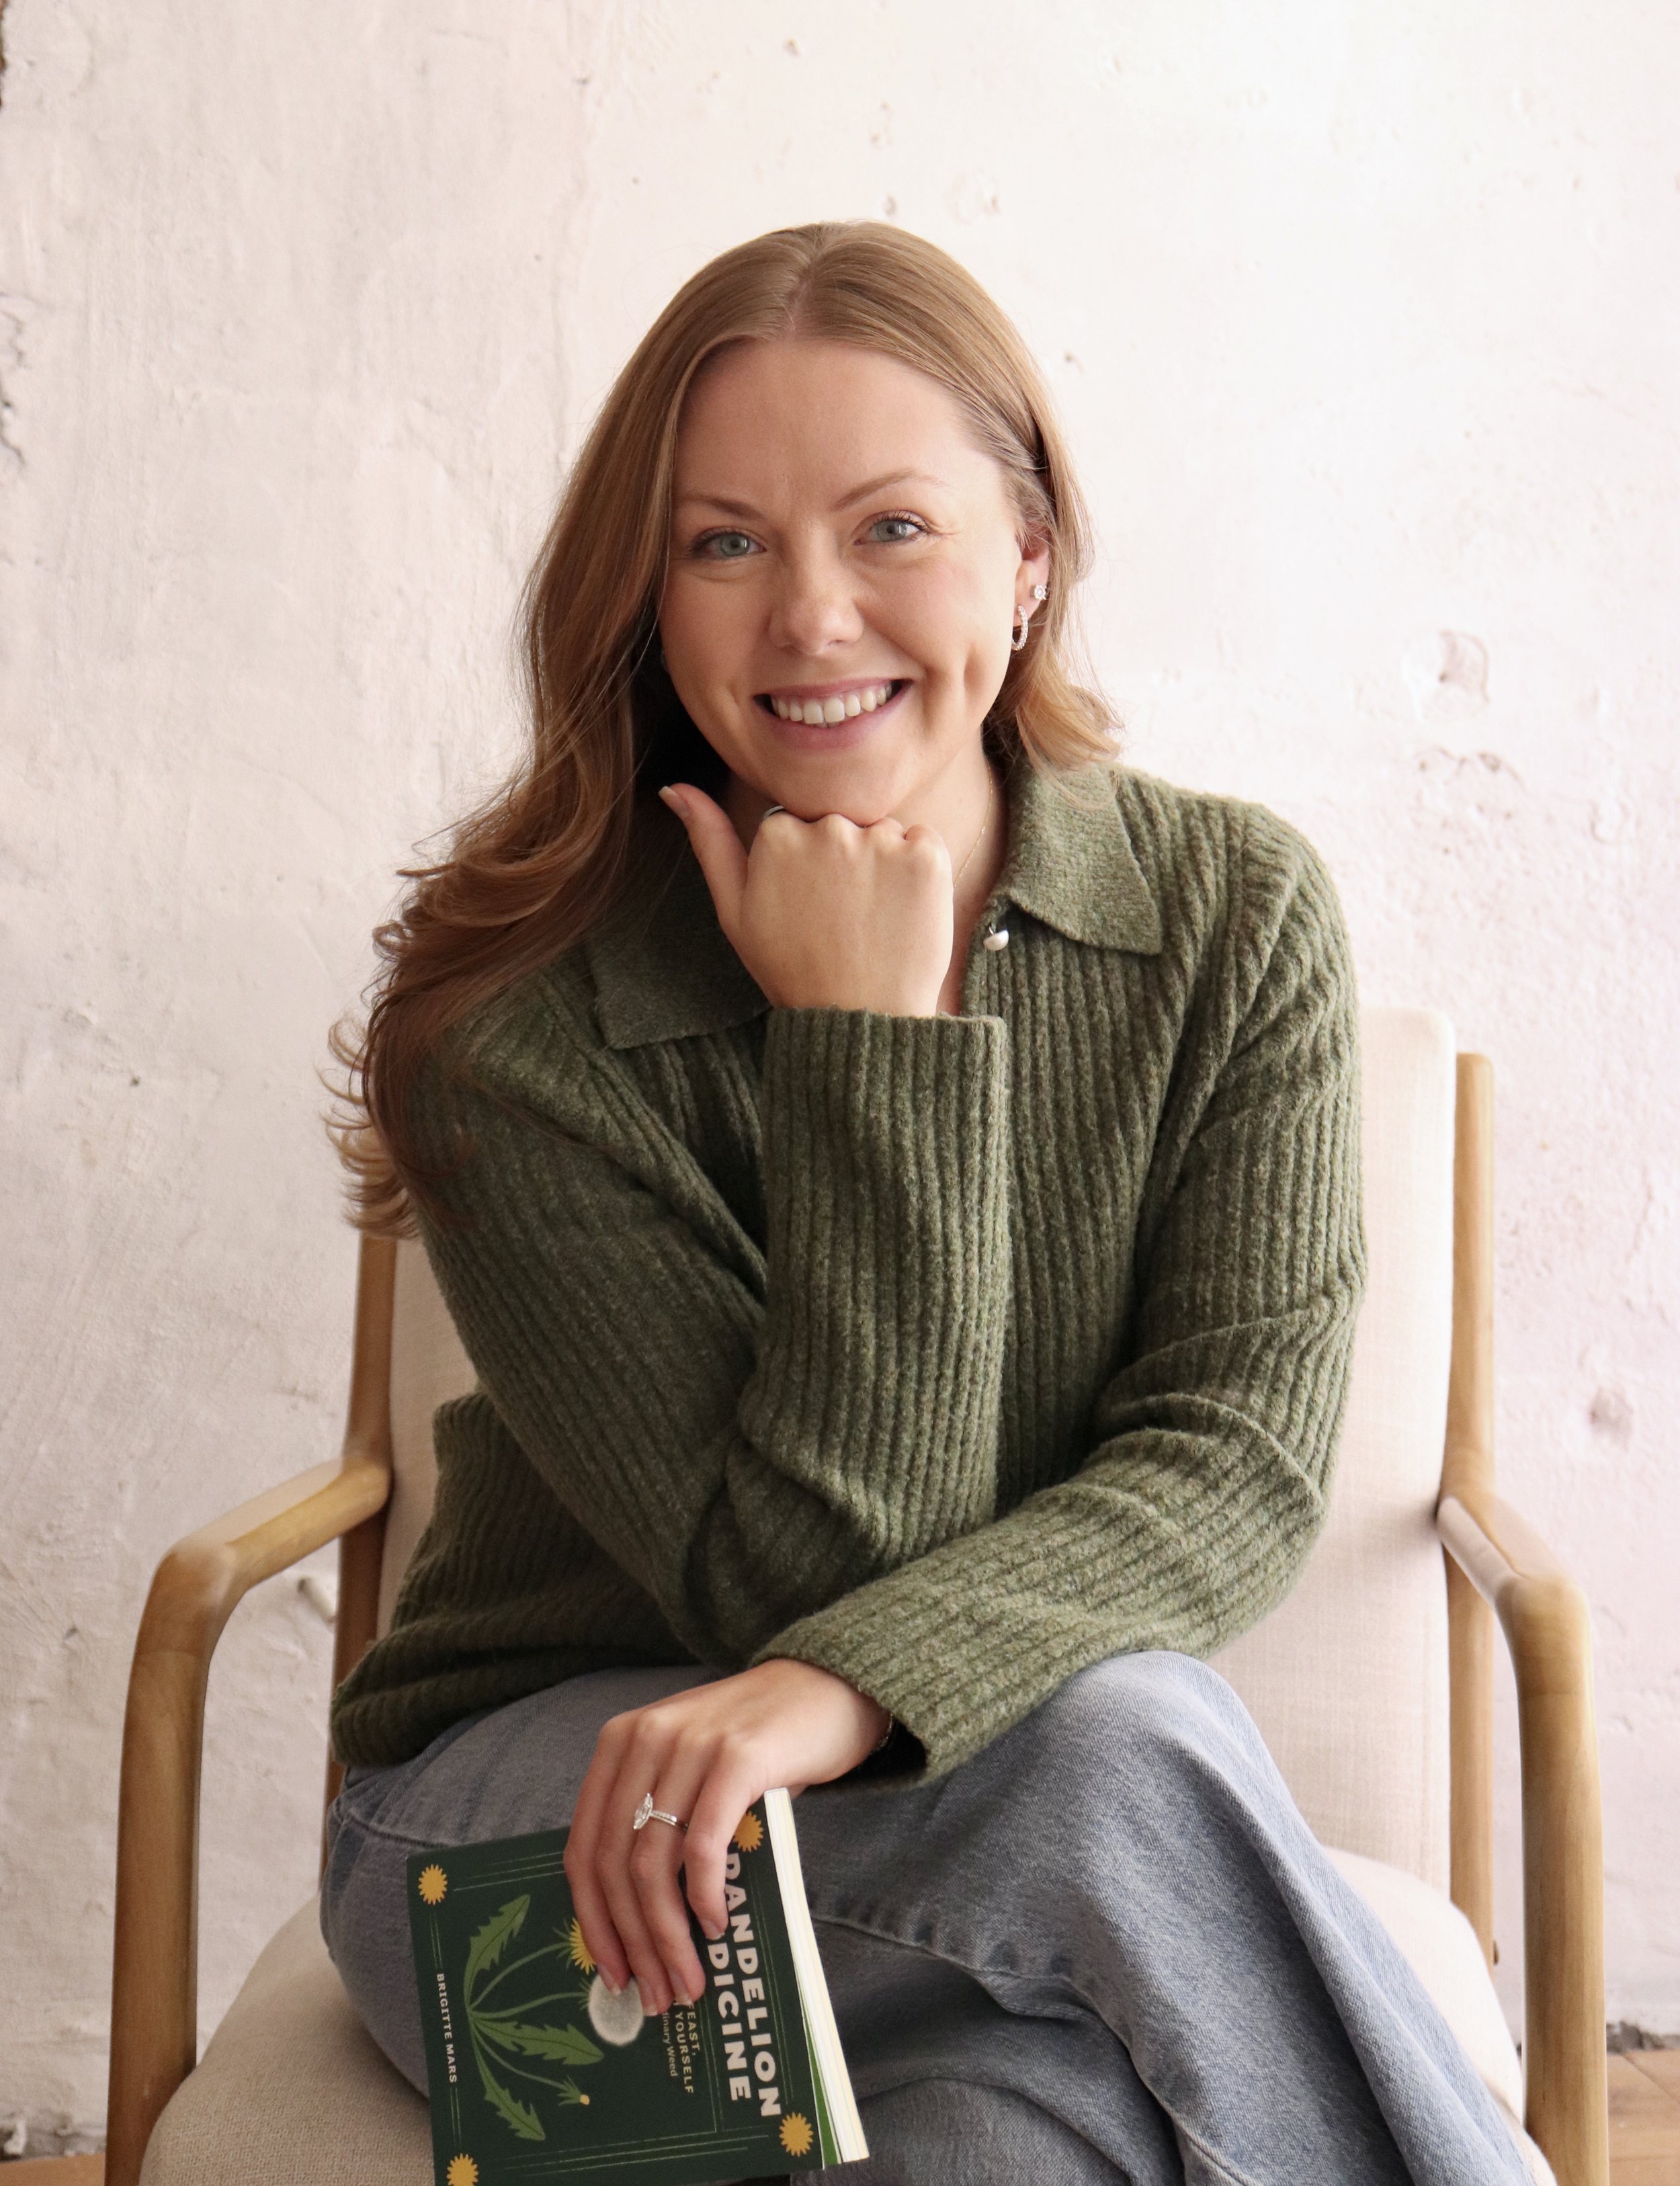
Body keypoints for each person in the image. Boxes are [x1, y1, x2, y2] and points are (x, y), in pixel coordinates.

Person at [321, 222, 1531, 2185]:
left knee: (1021, 2140)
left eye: (892, 527)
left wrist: (840, 1694)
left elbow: (1228, 1465)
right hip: (550, 1864)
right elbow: (791, 1575)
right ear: (643, 592)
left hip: (963, 1814)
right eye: (723, 543)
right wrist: (870, 1044)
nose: (811, 617)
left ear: (1028, 554)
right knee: (1118, 1753)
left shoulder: (1229, 916)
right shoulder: (518, 1018)